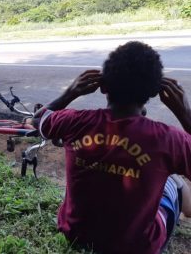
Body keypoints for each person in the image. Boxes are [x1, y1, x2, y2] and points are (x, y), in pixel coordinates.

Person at [31, 41, 191, 253]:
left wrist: (70, 93)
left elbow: (38, 119)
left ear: (102, 86)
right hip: (137, 247)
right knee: (175, 182)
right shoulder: (169, 140)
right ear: (153, 93)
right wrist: (185, 114)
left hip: (75, 234)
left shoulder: (75, 122)